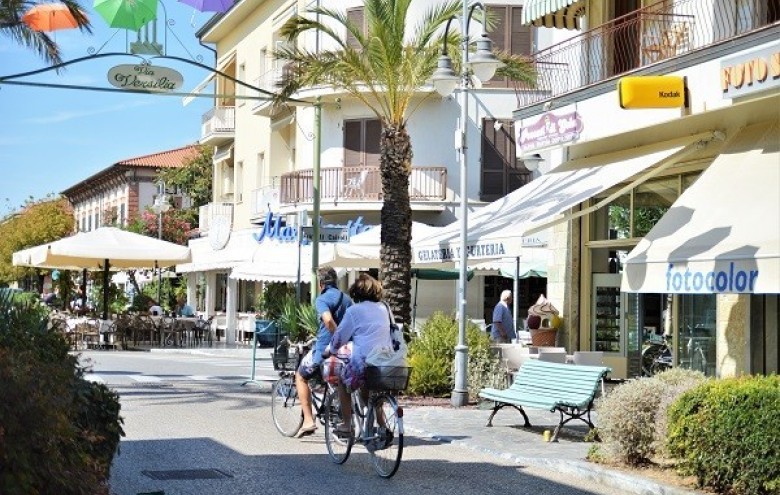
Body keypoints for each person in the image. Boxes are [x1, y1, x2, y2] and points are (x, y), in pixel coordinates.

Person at [329, 273, 393, 436]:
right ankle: (382, 426)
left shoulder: (354, 311)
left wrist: (331, 350)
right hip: (386, 361)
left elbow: (340, 336)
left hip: (364, 362)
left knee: (343, 381)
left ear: (356, 293)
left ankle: (346, 424)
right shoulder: (384, 308)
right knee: (373, 391)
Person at [293, 266, 352, 438]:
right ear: (336, 282)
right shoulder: (347, 299)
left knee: (300, 376)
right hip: (347, 351)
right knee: (341, 382)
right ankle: (344, 419)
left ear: (321, 284)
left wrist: (337, 338)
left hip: (325, 351)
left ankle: (308, 421)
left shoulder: (322, 299)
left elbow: (327, 320)